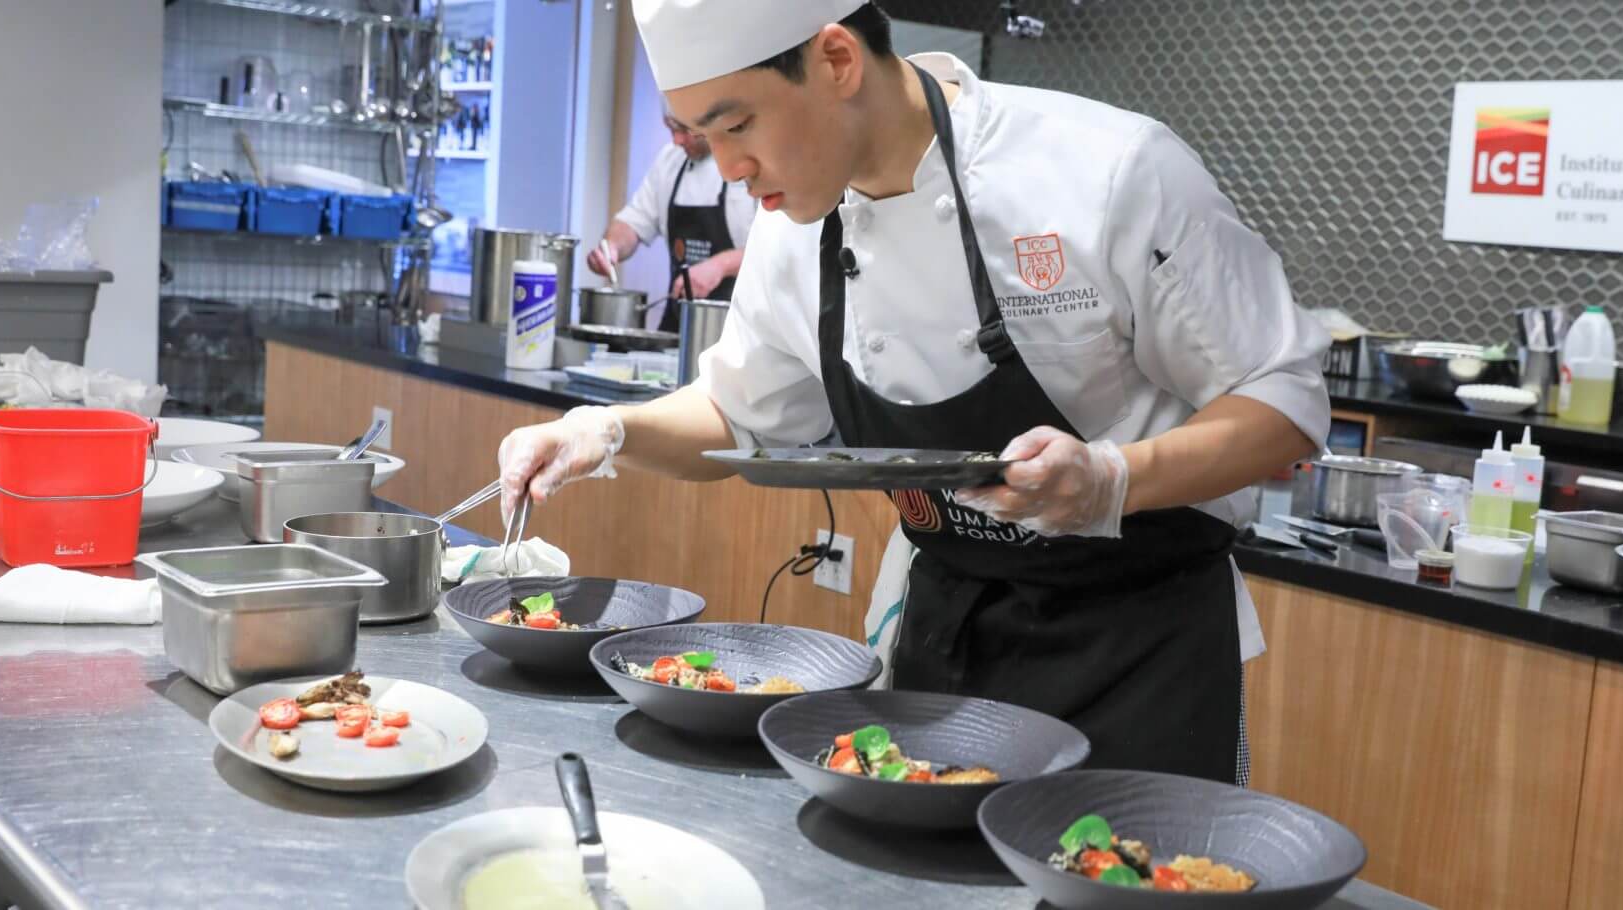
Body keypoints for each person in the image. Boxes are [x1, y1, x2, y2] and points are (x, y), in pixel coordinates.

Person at [498, 0, 1331, 785]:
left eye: (738, 124)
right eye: (701, 136)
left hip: (1137, 654)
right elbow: (734, 415)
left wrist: (1114, 479)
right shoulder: (794, 231)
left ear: (835, 58)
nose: (731, 168)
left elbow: (1283, 400)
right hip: (947, 634)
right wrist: (605, 431)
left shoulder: (1106, 171)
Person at [585, 101, 757, 330]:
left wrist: (720, 266)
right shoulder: (670, 161)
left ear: (711, 122)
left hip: (737, 327)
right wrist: (612, 248)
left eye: (684, 130)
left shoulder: (748, 160)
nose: (677, 140)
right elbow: (633, 221)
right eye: (671, 128)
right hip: (678, 325)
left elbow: (777, 249)